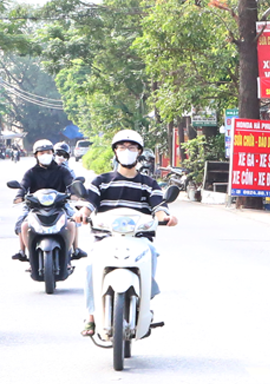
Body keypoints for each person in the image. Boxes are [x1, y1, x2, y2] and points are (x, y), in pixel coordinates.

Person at [73, 130, 178, 337]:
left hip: (138, 240)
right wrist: (82, 214)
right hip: (106, 239)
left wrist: (166, 217)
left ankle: (145, 305)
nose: (126, 151)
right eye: (122, 147)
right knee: (89, 267)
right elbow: (89, 204)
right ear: (115, 152)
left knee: (152, 254)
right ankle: (91, 317)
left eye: (131, 148)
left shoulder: (148, 183)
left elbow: (159, 206)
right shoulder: (101, 181)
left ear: (139, 152)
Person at [12, 139, 81, 261]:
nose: (45, 155)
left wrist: (74, 194)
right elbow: (23, 186)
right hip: (34, 206)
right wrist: (19, 196)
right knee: (22, 224)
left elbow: (70, 184)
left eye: (48, 152)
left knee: (72, 222)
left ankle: (73, 251)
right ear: (36, 155)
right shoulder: (31, 172)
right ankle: (23, 252)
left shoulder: (62, 171)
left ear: (53, 153)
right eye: (41, 153)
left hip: (60, 205)